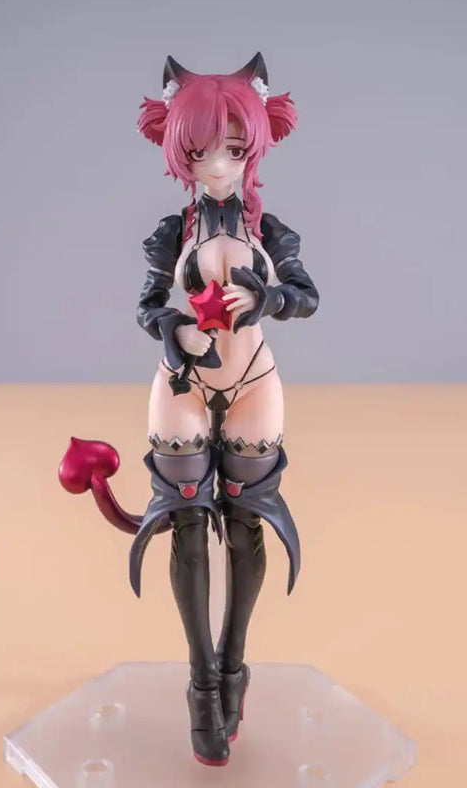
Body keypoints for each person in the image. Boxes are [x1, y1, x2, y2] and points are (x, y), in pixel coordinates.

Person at [60, 52, 319, 768]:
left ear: (255, 145)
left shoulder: (272, 234)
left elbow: (306, 297)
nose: (217, 164)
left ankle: (235, 665)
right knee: (185, 527)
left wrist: (267, 297)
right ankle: (202, 684)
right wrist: (173, 326)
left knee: (246, 522)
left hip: (253, 379)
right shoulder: (171, 233)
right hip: (183, 381)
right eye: (200, 150)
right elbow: (149, 305)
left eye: (232, 148)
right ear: (180, 151)